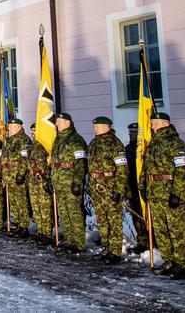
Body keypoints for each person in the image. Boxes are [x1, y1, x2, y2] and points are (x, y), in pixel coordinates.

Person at [142, 112, 185, 280]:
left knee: (175, 230)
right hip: (155, 192)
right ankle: (168, 259)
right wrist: (144, 186)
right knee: (161, 230)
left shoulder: (175, 144)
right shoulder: (153, 144)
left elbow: (183, 170)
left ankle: (180, 264)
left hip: (169, 193)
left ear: (165, 123)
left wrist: (177, 193)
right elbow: (146, 168)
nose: (152, 126)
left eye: (155, 123)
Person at [87, 116, 128, 263]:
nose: (94, 129)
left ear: (106, 127)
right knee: (102, 220)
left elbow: (122, 169)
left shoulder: (115, 144)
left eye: (97, 126)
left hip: (110, 187)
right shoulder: (93, 143)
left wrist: (118, 189)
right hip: (96, 187)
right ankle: (106, 247)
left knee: (113, 220)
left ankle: (115, 251)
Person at [51, 112, 88, 254]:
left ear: (68, 123)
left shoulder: (76, 140)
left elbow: (80, 162)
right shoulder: (57, 140)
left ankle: (78, 243)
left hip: (70, 182)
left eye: (59, 121)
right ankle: (69, 240)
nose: (56, 124)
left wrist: (77, 182)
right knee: (63, 213)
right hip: (58, 182)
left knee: (74, 213)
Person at [2, 118, 32, 237]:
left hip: (17, 175)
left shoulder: (24, 139)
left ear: (18, 127)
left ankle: (24, 226)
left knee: (21, 202)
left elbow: (25, 159)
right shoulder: (9, 140)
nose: (9, 128)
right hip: (9, 175)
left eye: (11, 126)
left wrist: (21, 174)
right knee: (13, 202)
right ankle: (18, 223)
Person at [27, 123, 53, 244]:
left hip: (42, 178)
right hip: (33, 179)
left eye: (35, 131)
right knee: (36, 207)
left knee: (44, 207)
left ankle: (47, 233)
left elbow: (48, 163)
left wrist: (47, 179)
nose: (32, 133)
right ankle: (40, 231)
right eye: (32, 131)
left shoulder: (45, 144)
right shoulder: (32, 145)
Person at [123, 122, 147, 253]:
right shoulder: (128, 149)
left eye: (133, 132)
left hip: (144, 186)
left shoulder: (145, 147)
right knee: (136, 216)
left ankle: (151, 241)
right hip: (132, 186)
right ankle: (142, 241)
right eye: (130, 132)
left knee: (147, 215)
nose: (131, 135)